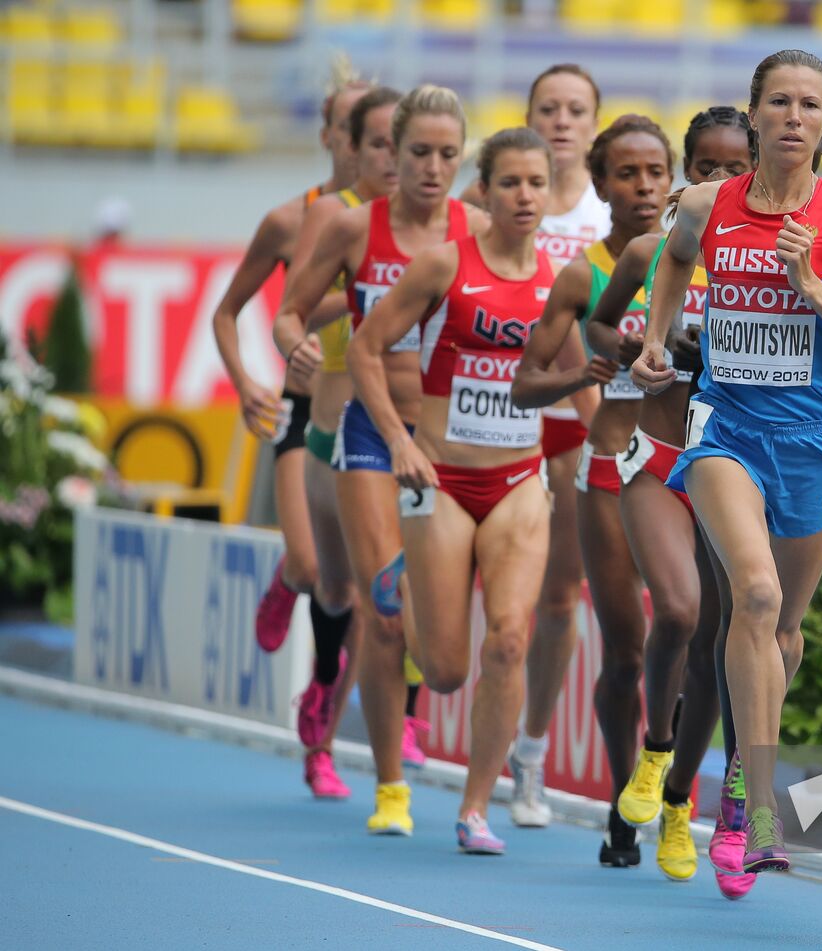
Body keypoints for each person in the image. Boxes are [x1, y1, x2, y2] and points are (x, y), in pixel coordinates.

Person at [631, 49, 822, 875]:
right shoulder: (709, 204)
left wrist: (812, 283)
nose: (793, 116)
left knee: (782, 630)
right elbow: (673, 256)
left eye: (809, 104)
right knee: (752, 593)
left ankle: (746, 781)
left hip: (816, 438)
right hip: (727, 429)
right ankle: (743, 813)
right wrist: (653, 339)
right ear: (752, 114)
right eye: (777, 101)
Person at [276, 85, 483, 836]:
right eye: (418, 153)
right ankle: (390, 786)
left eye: (447, 154)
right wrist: (293, 344)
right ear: (391, 153)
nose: (432, 168)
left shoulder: (478, 229)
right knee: (381, 608)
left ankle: (398, 721)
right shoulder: (352, 226)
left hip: (451, 437)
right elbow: (290, 309)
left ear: (463, 158)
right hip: (370, 427)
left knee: (438, 635)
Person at [349, 127, 560, 855]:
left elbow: (572, 373)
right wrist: (399, 440)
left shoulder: (564, 278)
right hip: (438, 476)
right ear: (486, 190)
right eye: (510, 183)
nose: (525, 197)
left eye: (537, 183)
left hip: (517, 481)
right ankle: (404, 581)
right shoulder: (444, 265)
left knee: (507, 639)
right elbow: (364, 347)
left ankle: (475, 808)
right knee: (442, 670)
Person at [585, 105, 756, 890]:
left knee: (719, 642)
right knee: (679, 612)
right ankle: (653, 751)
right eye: (705, 167)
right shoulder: (655, 250)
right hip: (654, 455)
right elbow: (597, 327)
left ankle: (683, 800)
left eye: (734, 168)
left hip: (732, 463)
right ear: (687, 172)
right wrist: (627, 348)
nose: (718, 182)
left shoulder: (771, 259)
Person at [512, 114, 675, 867]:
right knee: (627, 649)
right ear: (601, 184)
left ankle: (668, 788)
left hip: (687, 467)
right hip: (608, 467)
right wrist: (584, 372)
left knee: (689, 636)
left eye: (656, 172)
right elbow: (524, 385)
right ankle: (623, 805)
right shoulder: (584, 274)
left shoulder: (697, 259)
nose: (644, 187)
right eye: (627, 174)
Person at [460, 64, 610, 829]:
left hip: (573, 411)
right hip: (489, 410)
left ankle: (530, 751)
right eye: (546, 108)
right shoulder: (490, 201)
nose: (560, 120)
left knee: (558, 597)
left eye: (575, 109)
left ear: (593, 123)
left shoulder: (605, 208)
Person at [214, 65, 370, 799]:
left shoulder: (411, 227)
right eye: (351, 128)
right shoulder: (290, 219)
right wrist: (248, 379)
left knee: (366, 592)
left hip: (367, 415)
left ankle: (323, 740)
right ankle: (286, 579)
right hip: (300, 410)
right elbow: (229, 310)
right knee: (312, 571)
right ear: (332, 135)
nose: (367, 144)